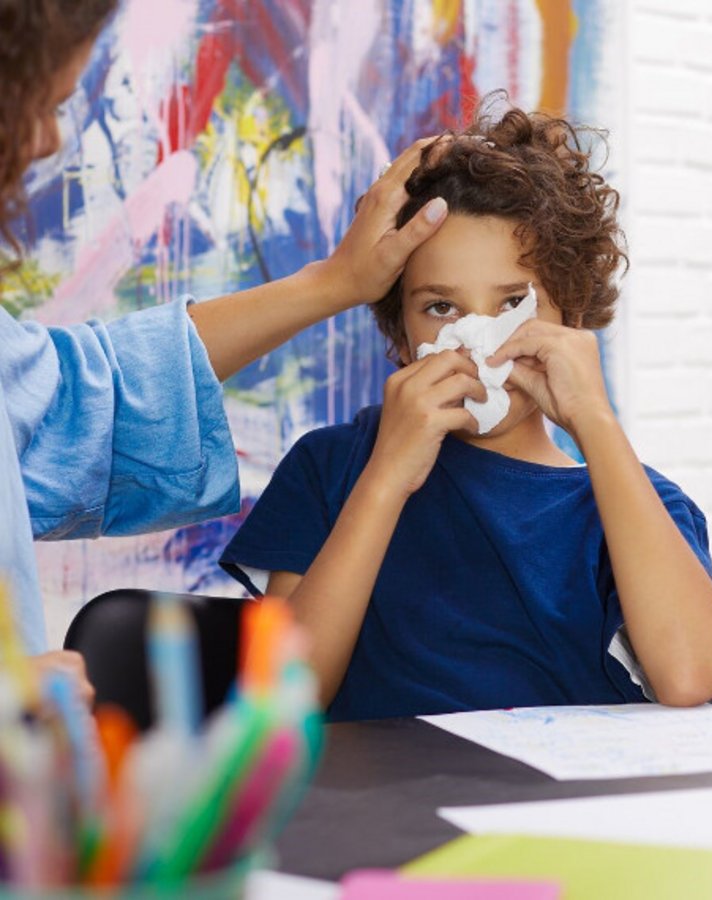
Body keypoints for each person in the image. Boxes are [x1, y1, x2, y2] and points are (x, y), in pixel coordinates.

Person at [220, 102, 712, 721]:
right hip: (382, 811)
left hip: (550, 811)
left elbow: (690, 676)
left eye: (512, 302)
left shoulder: (629, 505)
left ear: (567, 318)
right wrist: (385, 479)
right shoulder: (334, 465)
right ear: (401, 330)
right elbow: (281, 701)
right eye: (441, 308)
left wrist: (595, 423)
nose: (476, 338)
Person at [0, 0, 449, 699]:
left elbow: (75, 399)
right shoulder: (331, 471)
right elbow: (295, 683)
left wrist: (331, 284)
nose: (51, 139)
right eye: (44, 104)